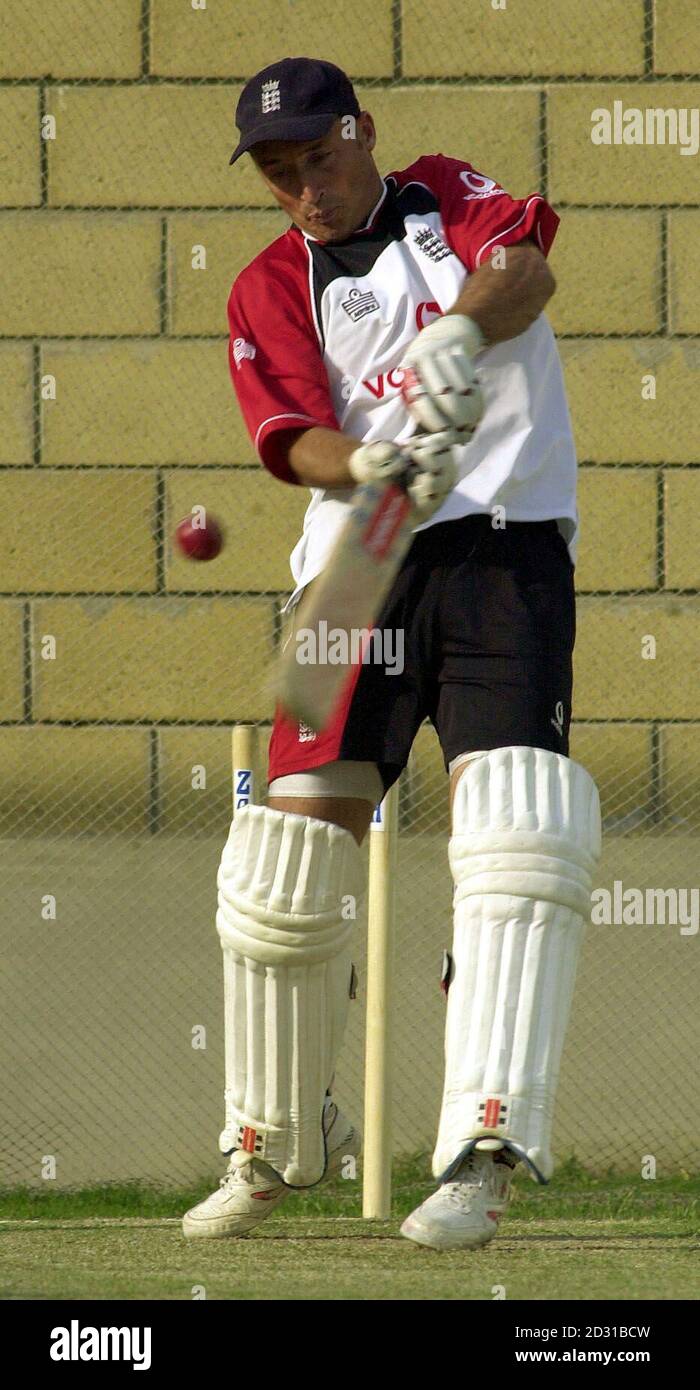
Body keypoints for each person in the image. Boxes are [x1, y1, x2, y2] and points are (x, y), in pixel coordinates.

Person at [182, 56, 601, 1250]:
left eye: (318, 157)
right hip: (356, 549)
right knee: (275, 856)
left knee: (517, 829)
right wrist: (365, 465)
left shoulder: (441, 201)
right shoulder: (269, 282)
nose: (305, 188)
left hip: (502, 548)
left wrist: (461, 335)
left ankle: (482, 1147)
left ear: (360, 133)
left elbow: (525, 268)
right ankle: (274, 1141)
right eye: (279, 173)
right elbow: (292, 436)